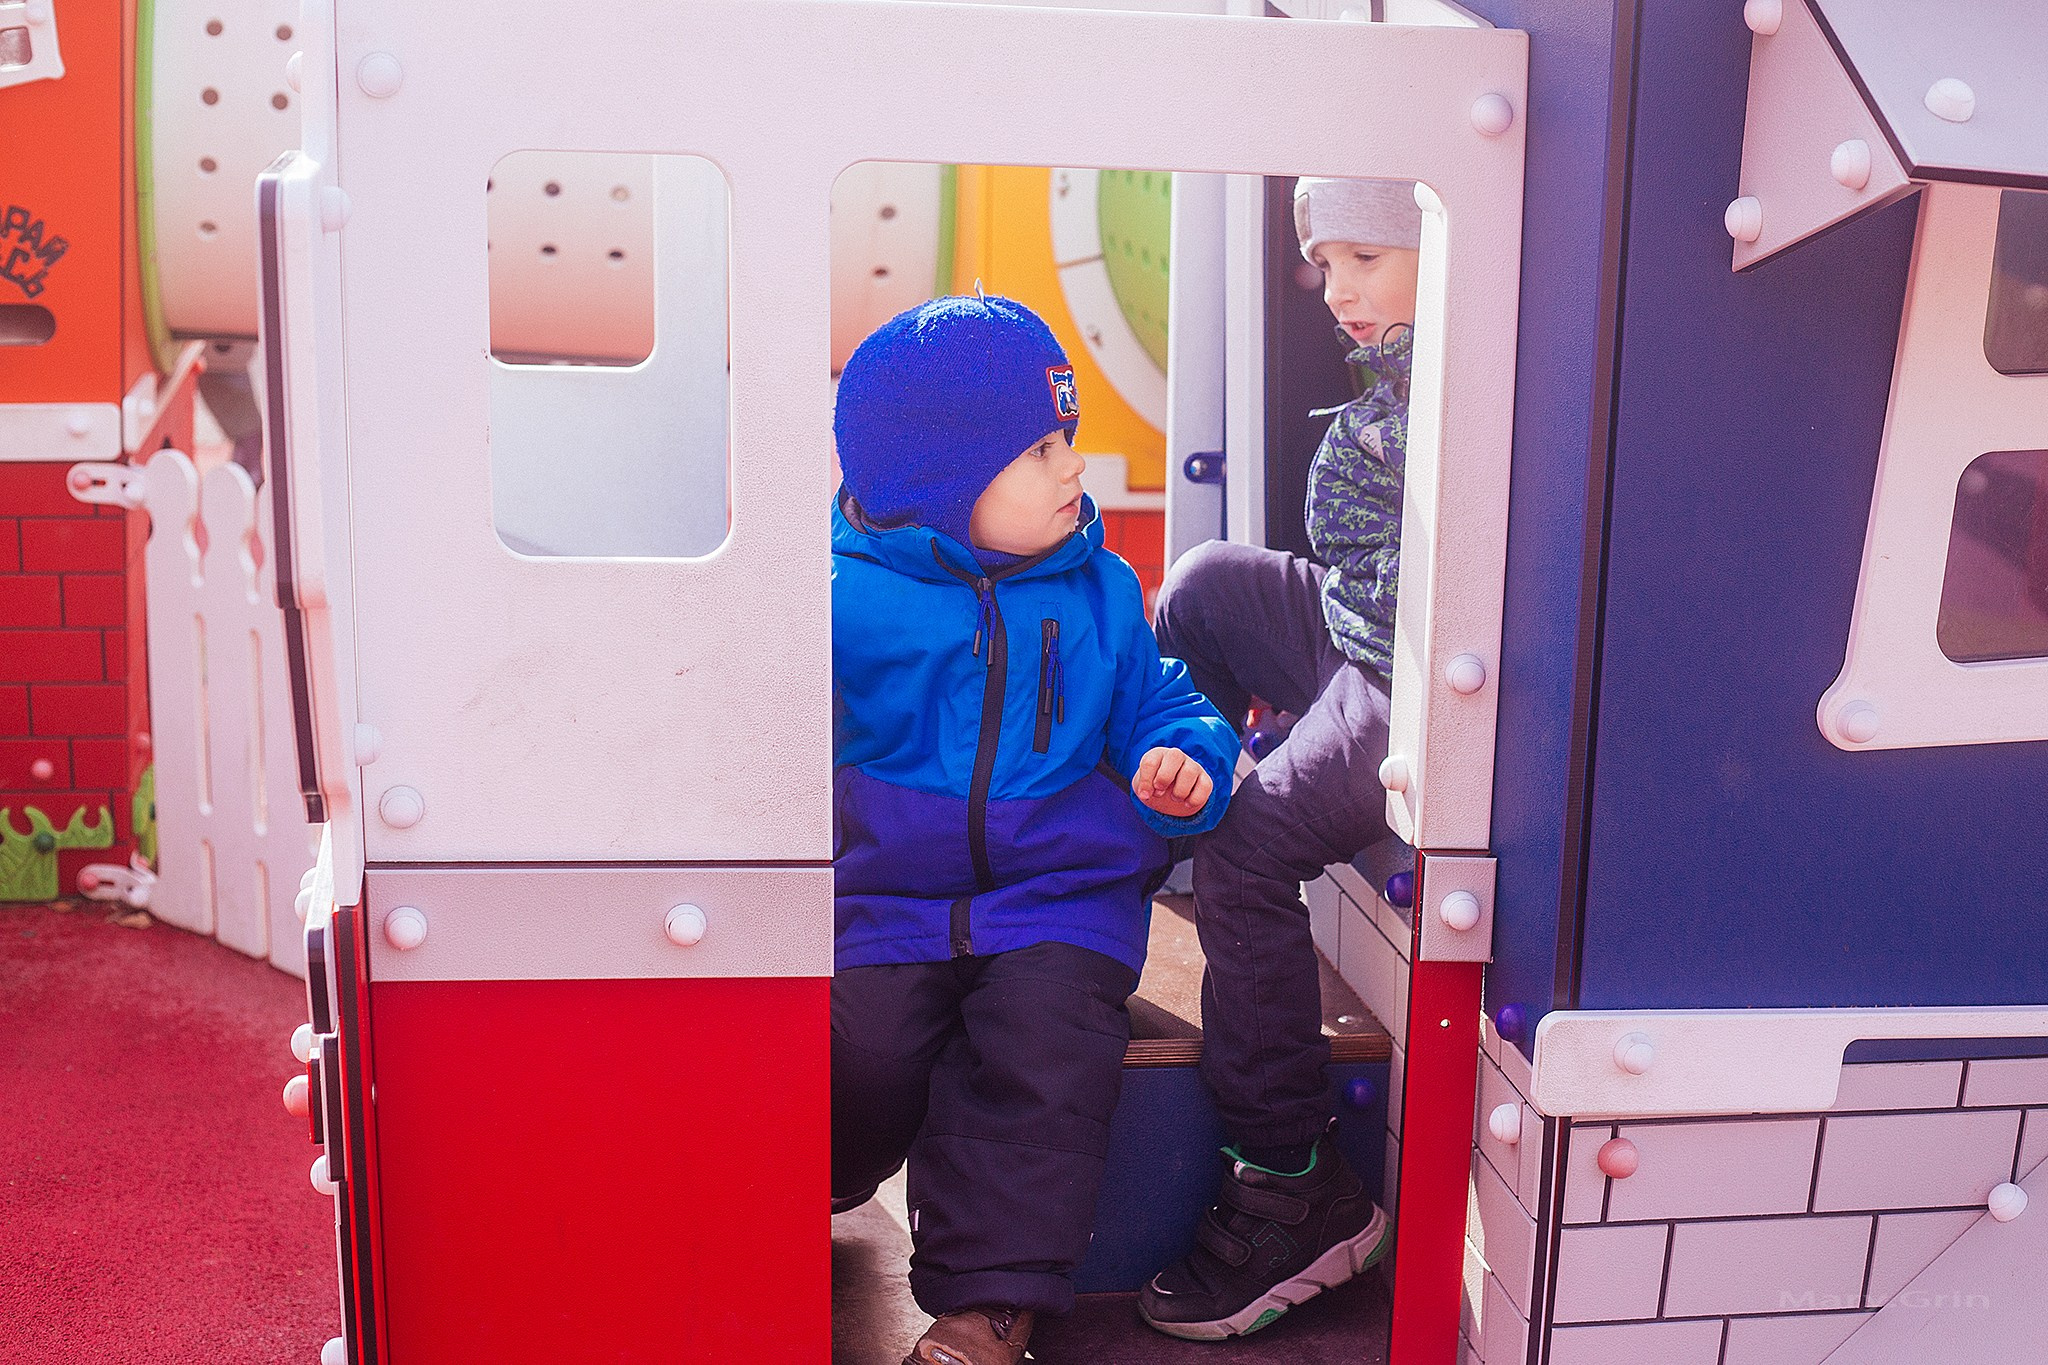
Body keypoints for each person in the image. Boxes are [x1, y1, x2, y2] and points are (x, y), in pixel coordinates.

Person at [828, 294, 1240, 1365]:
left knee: (1040, 1061)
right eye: (1041, 447)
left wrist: (1184, 761)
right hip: (884, 899)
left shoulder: (1097, 591)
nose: (1073, 467)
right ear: (938, 482)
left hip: (1057, 899)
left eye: (1070, 439)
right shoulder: (836, 603)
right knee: (860, 1051)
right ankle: (828, 1170)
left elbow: (1163, 702)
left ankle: (987, 1307)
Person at [1138, 177, 1418, 1340]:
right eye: (1322, 260)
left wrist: (1302, 749)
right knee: (1203, 584)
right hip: (1356, 625)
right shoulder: (1403, 363)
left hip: (1410, 680)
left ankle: (1294, 1182)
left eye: (1364, 254)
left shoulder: (1478, 375)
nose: (1336, 288)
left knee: (1249, 855)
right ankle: (1144, 860)